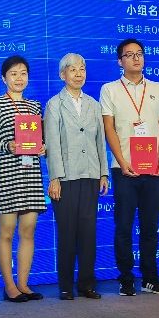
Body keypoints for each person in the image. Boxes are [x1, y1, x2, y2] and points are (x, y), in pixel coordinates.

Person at [100, 39, 159, 297]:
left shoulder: (158, 88)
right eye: (129, 55)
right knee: (124, 226)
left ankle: (150, 278)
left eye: (139, 54)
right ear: (120, 61)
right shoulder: (110, 89)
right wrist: (121, 161)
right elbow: (109, 128)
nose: (136, 58)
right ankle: (126, 278)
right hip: (124, 169)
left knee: (151, 226)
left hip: (154, 169)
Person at [44, 53, 109, 300]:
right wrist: (55, 178)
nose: (78, 74)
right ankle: (65, 285)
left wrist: (103, 173)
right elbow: (52, 143)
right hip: (66, 178)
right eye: (73, 70)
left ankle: (87, 284)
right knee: (67, 233)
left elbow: (100, 141)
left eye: (82, 69)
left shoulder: (94, 104)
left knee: (88, 233)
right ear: (63, 75)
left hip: (91, 174)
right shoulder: (54, 104)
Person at [0, 55, 47, 303]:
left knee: (28, 230)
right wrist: (7, 145)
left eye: (23, 73)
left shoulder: (34, 106)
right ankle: (9, 286)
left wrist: (43, 147)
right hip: (7, 173)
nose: (19, 78)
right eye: (13, 74)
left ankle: (23, 284)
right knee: (7, 232)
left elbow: (41, 138)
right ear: (4, 78)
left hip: (31, 174)